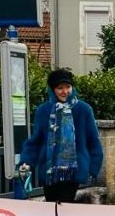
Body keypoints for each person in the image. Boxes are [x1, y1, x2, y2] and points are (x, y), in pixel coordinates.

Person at [19, 68, 103, 203]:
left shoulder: (84, 109)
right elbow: (36, 140)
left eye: (68, 87)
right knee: (52, 207)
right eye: (60, 88)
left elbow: (93, 140)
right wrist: (26, 162)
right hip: (49, 170)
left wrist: (94, 166)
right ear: (52, 90)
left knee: (65, 205)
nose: (65, 91)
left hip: (74, 170)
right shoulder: (43, 110)